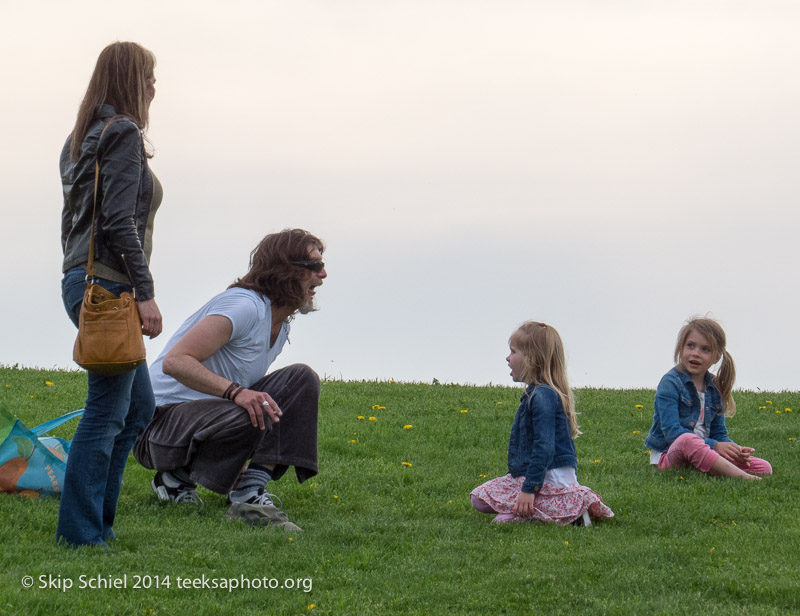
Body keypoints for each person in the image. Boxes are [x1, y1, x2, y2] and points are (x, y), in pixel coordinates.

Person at [133, 229, 327, 532]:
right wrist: (236, 393)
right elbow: (175, 362)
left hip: (205, 418)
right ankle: (174, 479)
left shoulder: (280, 324)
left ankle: (249, 491)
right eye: (313, 266)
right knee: (248, 404)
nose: (323, 275)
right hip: (158, 425)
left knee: (301, 379)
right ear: (285, 270)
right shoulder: (244, 306)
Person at [58, 42, 163, 547]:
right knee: (106, 412)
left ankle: (99, 524)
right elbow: (120, 221)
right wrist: (144, 292)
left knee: (138, 409)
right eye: (148, 78)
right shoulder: (120, 133)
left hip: (81, 280)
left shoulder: (78, 139)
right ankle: (82, 537)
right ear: (129, 81)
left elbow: (71, 223)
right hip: (110, 288)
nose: (154, 88)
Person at [470, 321, 614, 525]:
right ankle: (548, 510)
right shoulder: (536, 393)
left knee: (497, 518)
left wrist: (529, 489)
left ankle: (560, 511)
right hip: (538, 476)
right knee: (478, 498)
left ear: (532, 359)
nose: (507, 358)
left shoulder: (543, 396)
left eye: (513, 351)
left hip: (548, 478)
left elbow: (544, 447)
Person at [645, 317, 772, 479]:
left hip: (705, 450)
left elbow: (719, 432)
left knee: (764, 467)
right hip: (669, 453)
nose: (696, 353)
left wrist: (733, 449)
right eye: (690, 346)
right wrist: (715, 446)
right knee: (688, 440)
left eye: (705, 349)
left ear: (716, 357)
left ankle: (716, 466)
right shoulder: (670, 383)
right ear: (681, 347)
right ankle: (746, 478)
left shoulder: (715, 387)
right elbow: (672, 433)